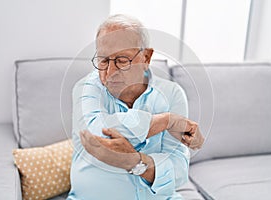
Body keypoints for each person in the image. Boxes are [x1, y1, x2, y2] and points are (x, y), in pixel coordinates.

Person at [67, 14, 204, 200]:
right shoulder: (86, 89)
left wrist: (136, 162)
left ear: (146, 57)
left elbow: (178, 171)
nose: (110, 73)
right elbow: (97, 137)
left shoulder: (172, 94)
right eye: (103, 60)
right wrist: (166, 121)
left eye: (122, 60)